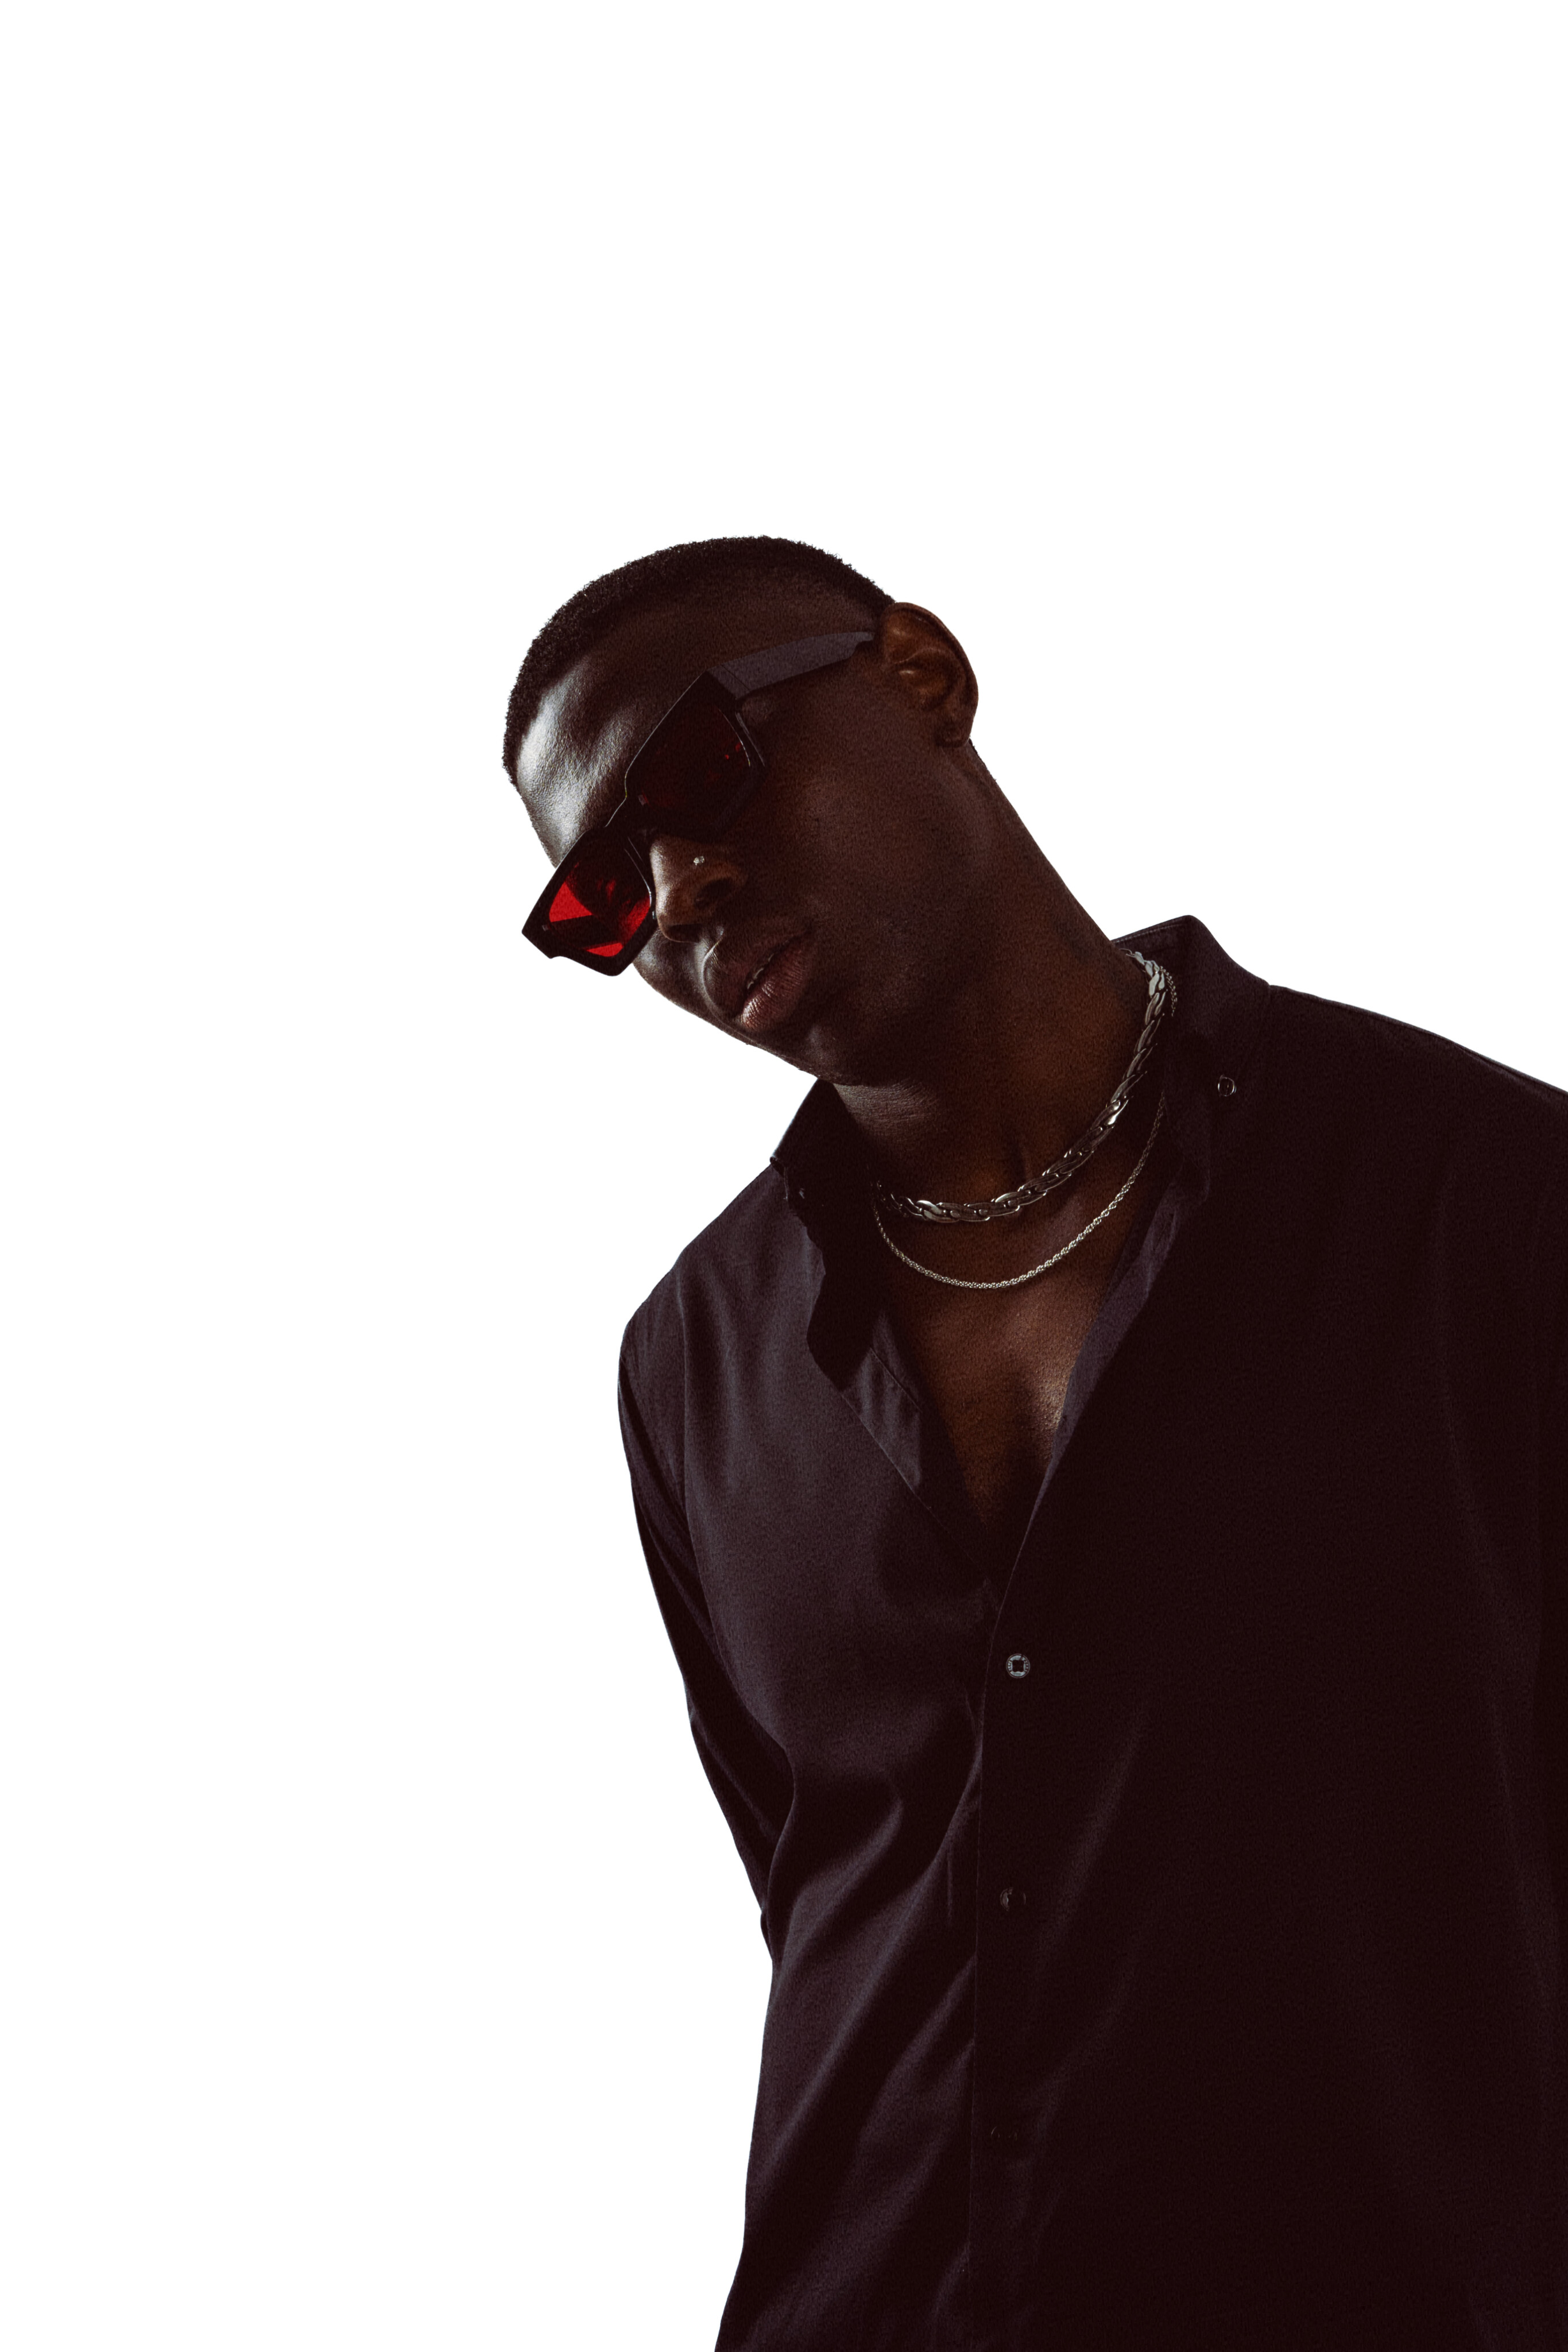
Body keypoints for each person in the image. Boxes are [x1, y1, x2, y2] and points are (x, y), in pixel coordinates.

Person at [504, 535, 1567, 2351]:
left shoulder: (1487, 1202)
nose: (677, 889)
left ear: (921, 675)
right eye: (604, 894)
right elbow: (821, 1890)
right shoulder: (692, 1360)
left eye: (697, 770)